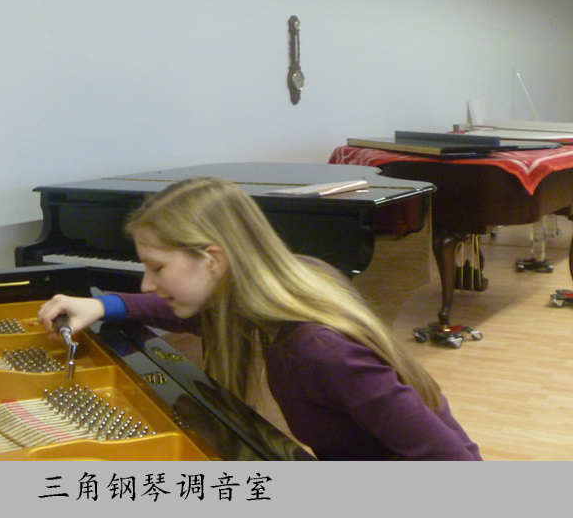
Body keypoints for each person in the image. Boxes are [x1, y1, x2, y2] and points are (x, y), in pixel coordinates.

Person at [38, 177, 482, 461]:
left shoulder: (318, 349)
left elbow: (455, 464)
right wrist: (103, 305)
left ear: (213, 260)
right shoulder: (284, 286)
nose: (147, 284)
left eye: (157, 267)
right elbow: (190, 314)